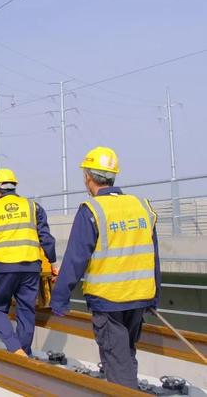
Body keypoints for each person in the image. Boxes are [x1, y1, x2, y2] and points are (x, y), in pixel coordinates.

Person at [50, 147, 160, 389]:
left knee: (117, 363)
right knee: (125, 356)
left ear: (88, 177)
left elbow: (75, 259)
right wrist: (154, 297)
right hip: (139, 297)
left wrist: (59, 299)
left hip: (109, 301)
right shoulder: (141, 206)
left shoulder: (91, 210)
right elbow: (154, 257)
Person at [0, 168, 58, 357]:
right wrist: (54, 262)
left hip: (4, 266)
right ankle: (24, 352)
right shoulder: (33, 207)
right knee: (26, 310)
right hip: (31, 266)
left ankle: (15, 349)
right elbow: (46, 237)